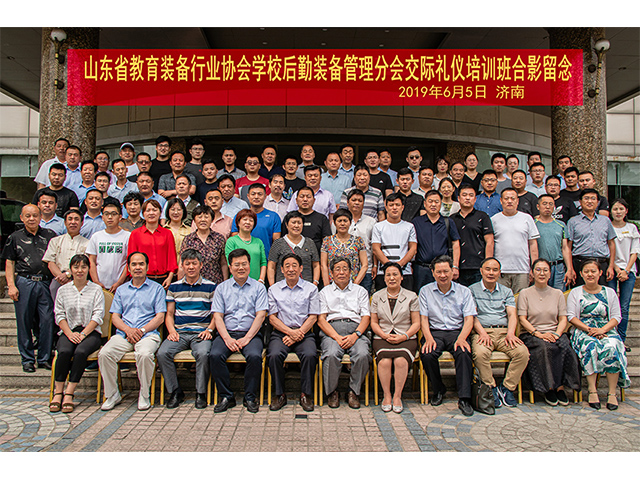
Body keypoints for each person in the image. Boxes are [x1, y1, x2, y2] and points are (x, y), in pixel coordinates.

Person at [99, 252, 167, 411]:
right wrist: (128, 330)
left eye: (141, 264)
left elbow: (160, 317)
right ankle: (112, 394)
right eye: (134, 264)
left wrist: (141, 331)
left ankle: (144, 394)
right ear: (128, 268)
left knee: (144, 354)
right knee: (105, 354)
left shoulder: (157, 289)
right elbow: (115, 317)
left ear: (147, 267)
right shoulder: (121, 290)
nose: (138, 267)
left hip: (148, 334)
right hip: (124, 334)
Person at [209, 248, 269, 413]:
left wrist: (247, 338)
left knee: (255, 356)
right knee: (215, 355)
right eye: (236, 265)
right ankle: (226, 396)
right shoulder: (222, 288)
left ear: (249, 265)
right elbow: (218, 316)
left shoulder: (258, 287)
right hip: (227, 333)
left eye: (244, 264)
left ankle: (250, 397)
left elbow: (260, 315)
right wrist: (227, 338)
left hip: (251, 334)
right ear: (230, 267)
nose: (241, 268)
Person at [157, 249, 217, 410]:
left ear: (201, 265)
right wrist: (171, 331)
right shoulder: (174, 287)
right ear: (182, 266)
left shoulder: (211, 287)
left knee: (203, 354)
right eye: (187, 264)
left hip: (201, 333)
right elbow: (169, 314)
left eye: (194, 263)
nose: (191, 267)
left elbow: (216, 315)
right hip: (180, 333)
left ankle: (201, 393)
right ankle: (175, 391)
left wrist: (209, 330)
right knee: (163, 353)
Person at [567, 259, 630, 410]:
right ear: (581, 274)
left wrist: (603, 330)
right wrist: (589, 330)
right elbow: (571, 317)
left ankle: (612, 393)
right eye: (586, 271)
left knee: (613, 347)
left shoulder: (609, 292)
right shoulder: (575, 292)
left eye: (593, 271)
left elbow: (616, 317)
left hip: (606, 329)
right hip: (583, 330)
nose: (590, 274)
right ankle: (592, 390)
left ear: (600, 273)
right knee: (591, 346)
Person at [517, 258, 581, 406]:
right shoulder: (525, 293)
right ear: (532, 273)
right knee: (544, 348)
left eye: (545, 270)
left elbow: (563, 318)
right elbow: (522, 319)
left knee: (565, 347)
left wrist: (557, 334)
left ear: (550, 273)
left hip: (554, 332)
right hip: (533, 334)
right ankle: (549, 388)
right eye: (538, 270)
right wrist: (537, 333)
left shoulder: (557, 293)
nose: (542, 273)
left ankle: (561, 387)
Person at [2, 204, 57, 372]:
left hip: (46, 282)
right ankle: (27, 359)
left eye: (35, 215)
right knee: (24, 321)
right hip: (24, 281)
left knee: (47, 320)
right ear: (22, 217)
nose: (31, 219)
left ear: (40, 217)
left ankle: (44, 358)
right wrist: (11, 285)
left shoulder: (50, 235)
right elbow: (10, 263)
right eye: (28, 216)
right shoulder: (15, 237)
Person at [418, 255, 476, 416]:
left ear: (452, 271)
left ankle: (464, 398)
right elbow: (423, 319)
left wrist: (462, 338)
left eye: (445, 271)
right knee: (427, 354)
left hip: (457, 332)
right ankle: (438, 389)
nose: (442, 275)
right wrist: (428, 338)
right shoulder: (425, 291)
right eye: (439, 272)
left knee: (463, 352)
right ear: (433, 272)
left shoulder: (464, 291)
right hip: (435, 332)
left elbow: (469, 319)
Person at [469, 257, 529, 408]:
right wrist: (482, 333)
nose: (491, 273)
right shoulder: (471, 290)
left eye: (495, 270)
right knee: (480, 354)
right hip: (482, 332)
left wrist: (511, 333)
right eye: (488, 269)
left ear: (499, 272)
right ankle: (491, 388)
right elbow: (472, 316)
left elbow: (512, 315)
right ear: (481, 271)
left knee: (522, 353)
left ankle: (507, 388)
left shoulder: (506, 291)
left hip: (504, 333)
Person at [49, 254, 104, 413]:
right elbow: (59, 315)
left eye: (83, 267)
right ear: (70, 270)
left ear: (88, 269)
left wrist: (83, 334)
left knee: (80, 352)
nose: (80, 270)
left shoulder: (96, 289)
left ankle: (70, 393)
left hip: (90, 332)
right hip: (69, 331)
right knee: (64, 351)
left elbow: (98, 315)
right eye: (76, 267)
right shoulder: (63, 290)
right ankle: (58, 392)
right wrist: (69, 333)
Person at [267, 253, 320, 412]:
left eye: (294, 266)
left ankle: (306, 394)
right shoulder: (274, 289)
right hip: (281, 333)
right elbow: (272, 318)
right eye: (287, 266)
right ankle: (279, 394)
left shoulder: (311, 289)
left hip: (304, 332)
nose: (291, 269)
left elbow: (313, 316)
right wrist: (290, 333)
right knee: (274, 355)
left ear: (301, 268)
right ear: (282, 270)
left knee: (310, 355)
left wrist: (298, 334)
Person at [318, 257, 371, 409]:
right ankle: (332, 392)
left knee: (362, 354)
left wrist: (355, 335)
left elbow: (366, 317)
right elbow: (321, 320)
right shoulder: (325, 292)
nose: (341, 272)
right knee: (331, 354)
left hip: (356, 331)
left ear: (351, 272)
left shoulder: (360, 291)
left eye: (345, 269)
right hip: (332, 331)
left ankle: (354, 391)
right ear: (331, 273)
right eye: (337, 269)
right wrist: (336, 337)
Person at [370, 262, 420, 413]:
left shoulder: (411, 296)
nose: (392, 278)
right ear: (384, 278)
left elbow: (416, 323)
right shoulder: (377, 296)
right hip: (382, 337)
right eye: (388, 275)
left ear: (402, 277)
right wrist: (383, 335)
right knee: (384, 361)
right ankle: (387, 395)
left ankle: (397, 396)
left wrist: (404, 336)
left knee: (400, 360)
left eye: (395, 274)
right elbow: (374, 322)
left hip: (406, 337)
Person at [491, 188, 539, 294]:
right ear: (501, 201)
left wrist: (534, 267)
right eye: (506, 198)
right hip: (501, 270)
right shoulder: (494, 220)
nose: (509, 201)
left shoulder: (527, 218)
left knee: (521, 300)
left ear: (517, 201)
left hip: (522, 270)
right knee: (501, 300)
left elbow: (533, 244)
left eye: (512, 198)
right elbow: (490, 244)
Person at [411, 190, 461, 292]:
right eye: (430, 201)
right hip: (422, 268)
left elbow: (455, 244)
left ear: (441, 204)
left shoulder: (448, 222)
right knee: (421, 295)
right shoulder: (416, 222)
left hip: (442, 269)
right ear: (425, 204)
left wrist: (455, 266)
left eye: (436, 202)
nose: (433, 204)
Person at [566, 188, 617, 286]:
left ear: (598, 202)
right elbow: (568, 246)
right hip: (580, 263)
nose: (589, 201)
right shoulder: (573, 221)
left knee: (601, 293)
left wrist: (611, 266)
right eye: (586, 198)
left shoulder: (605, 221)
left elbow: (611, 244)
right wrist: (570, 268)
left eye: (593, 199)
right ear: (580, 202)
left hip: (601, 263)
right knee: (579, 293)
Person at [608, 199, 639, 349]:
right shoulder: (608, 227)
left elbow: (635, 252)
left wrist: (626, 270)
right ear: (610, 211)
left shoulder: (632, 228)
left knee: (624, 307)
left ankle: (621, 339)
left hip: (628, 271)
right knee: (610, 305)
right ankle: (611, 337)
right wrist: (616, 269)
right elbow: (607, 251)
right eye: (615, 209)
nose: (618, 212)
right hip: (612, 270)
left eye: (621, 209)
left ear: (626, 211)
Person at [127, 199, 177, 289]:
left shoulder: (167, 233)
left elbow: (172, 257)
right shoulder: (135, 234)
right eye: (148, 210)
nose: (151, 213)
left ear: (160, 213)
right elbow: (131, 258)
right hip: (142, 278)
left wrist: (170, 278)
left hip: (163, 278)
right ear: (143, 214)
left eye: (154, 210)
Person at [371, 193, 417, 291]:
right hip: (383, 272)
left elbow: (413, 249)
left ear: (402, 207)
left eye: (397, 205)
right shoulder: (378, 226)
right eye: (391, 205)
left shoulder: (409, 227)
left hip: (405, 272)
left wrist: (399, 265)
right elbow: (375, 249)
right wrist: (389, 266)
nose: (394, 208)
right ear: (386, 207)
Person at [452, 185, 494, 287]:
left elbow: (489, 241)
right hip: (458, 267)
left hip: (478, 265)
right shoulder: (452, 219)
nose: (467, 198)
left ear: (475, 199)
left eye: (471, 195)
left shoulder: (483, 217)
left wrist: (487, 265)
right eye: (464, 195)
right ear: (458, 198)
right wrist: (454, 265)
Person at [42, 209, 90, 300]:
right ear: (65, 222)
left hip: (78, 279)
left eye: (76, 219)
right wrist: (61, 277)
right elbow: (50, 262)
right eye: (70, 219)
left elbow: (86, 264)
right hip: (58, 279)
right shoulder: (55, 241)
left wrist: (68, 274)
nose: (73, 222)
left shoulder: (87, 243)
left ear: (82, 223)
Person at [86, 202, 130, 293]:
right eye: (106, 214)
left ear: (120, 217)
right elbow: (92, 261)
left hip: (122, 285)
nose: (110, 217)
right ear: (102, 217)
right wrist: (96, 282)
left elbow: (129, 262)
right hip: (99, 285)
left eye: (113, 214)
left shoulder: (127, 236)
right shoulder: (96, 236)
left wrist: (120, 282)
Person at [267, 211, 320, 286]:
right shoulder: (278, 243)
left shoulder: (309, 242)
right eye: (293, 222)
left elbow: (316, 265)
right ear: (286, 225)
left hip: (306, 287)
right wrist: (272, 286)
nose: (296, 226)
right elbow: (271, 266)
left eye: (299, 223)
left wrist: (315, 283)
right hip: (282, 287)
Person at [535, 194, 575, 291]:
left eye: (551, 204)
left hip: (558, 267)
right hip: (540, 267)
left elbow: (565, 248)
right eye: (544, 204)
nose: (548, 207)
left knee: (559, 294)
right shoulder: (533, 224)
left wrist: (569, 268)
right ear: (538, 206)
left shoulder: (561, 225)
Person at [179, 205, 228, 284]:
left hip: (215, 282)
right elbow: (181, 265)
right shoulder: (188, 239)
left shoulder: (219, 238)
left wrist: (225, 283)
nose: (203, 220)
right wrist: (180, 285)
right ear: (194, 220)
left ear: (212, 220)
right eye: (199, 217)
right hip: (193, 283)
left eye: (206, 217)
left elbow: (223, 263)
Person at [321, 209, 368, 287]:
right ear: (334, 223)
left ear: (350, 222)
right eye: (339, 221)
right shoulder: (327, 241)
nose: (342, 224)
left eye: (345, 221)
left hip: (353, 284)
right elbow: (323, 265)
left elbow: (365, 265)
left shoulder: (358, 241)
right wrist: (327, 286)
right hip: (332, 285)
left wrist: (355, 285)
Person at [232, 183, 281, 256]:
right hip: (243, 259)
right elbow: (235, 240)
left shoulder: (274, 216)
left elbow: (276, 243)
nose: (256, 197)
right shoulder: (239, 216)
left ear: (265, 196)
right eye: (253, 194)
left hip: (266, 258)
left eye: (260, 194)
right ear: (248, 196)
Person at [284, 186, 332, 256]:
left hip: (315, 258)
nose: (305, 199)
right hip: (292, 258)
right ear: (296, 200)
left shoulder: (322, 219)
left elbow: (326, 243)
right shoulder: (289, 218)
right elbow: (283, 239)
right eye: (302, 196)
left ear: (314, 200)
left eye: (308, 197)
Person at [345, 189, 377, 294]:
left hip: (366, 269)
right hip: (344, 270)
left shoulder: (371, 222)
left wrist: (375, 265)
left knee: (364, 299)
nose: (357, 203)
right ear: (348, 203)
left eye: (360, 200)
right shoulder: (341, 221)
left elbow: (374, 246)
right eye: (354, 200)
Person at [225, 209, 267, 282]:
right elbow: (230, 263)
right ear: (238, 223)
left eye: (251, 220)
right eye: (245, 219)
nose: (248, 222)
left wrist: (261, 279)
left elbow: (263, 262)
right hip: (237, 282)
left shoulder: (258, 242)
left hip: (256, 283)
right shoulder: (231, 241)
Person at [163, 197, 192, 262]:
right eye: (173, 209)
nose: (176, 212)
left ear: (183, 211)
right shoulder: (162, 230)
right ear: (168, 211)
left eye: (179, 210)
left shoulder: (190, 230)